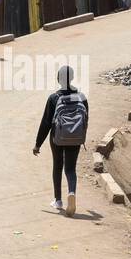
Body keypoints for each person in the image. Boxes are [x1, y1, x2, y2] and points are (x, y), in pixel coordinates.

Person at [33, 65, 88, 217]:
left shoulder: (54, 98)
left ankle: (58, 200)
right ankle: (72, 192)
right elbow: (86, 119)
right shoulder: (81, 97)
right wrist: (80, 136)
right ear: (72, 78)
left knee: (57, 166)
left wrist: (38, 144)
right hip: (76, 137)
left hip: (57, 137)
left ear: (58, 79)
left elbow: (46, 123)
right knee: (70, 169)